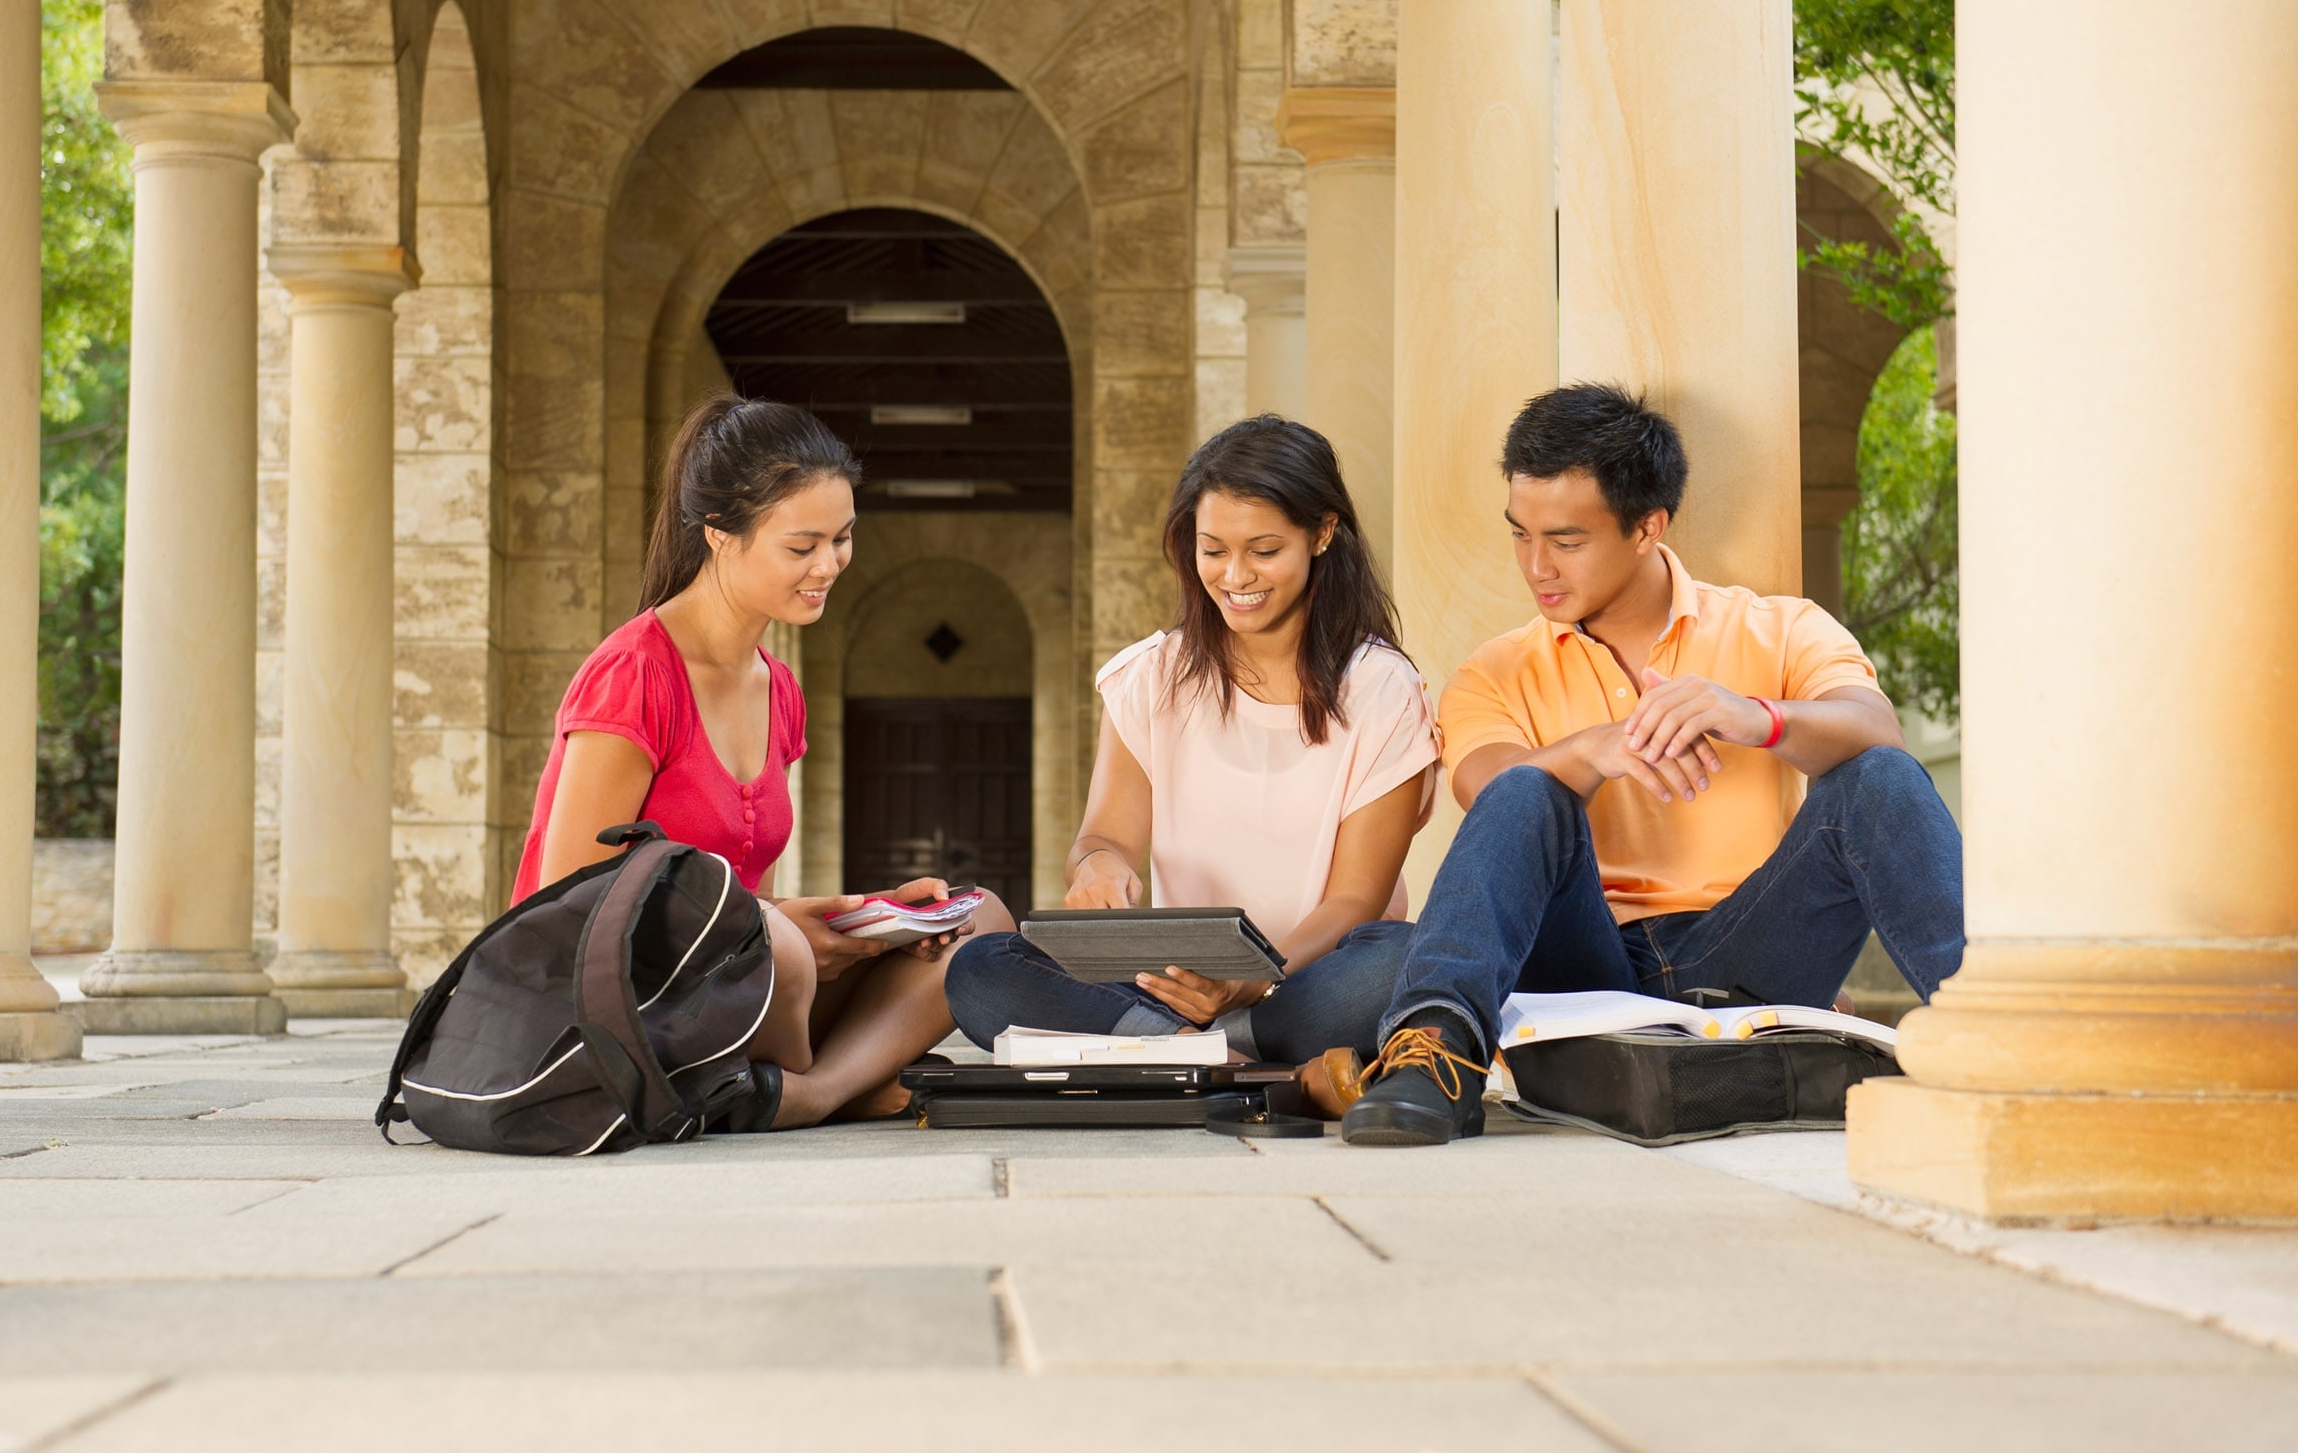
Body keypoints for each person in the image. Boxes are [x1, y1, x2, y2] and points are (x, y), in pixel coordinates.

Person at [1341, 384, 1965, 1146]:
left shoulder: (1779, 627)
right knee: (1528, 788)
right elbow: (1489, 794)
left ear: (1647, 526)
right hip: (1583, 957)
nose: (1537, 566)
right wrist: (1593, 749)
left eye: (1566, 541)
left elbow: (1877, 730)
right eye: (1520, 535)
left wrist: (1757, 717)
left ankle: (1995, 1045)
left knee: (1881, 775)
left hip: (1753, 952)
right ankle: (1434, 1057)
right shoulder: (1493, 671)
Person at [511, 394, 1009, 1129]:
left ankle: (809, 1092)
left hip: (734, 980)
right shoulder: (635, 674)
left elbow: (747, 895)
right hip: (612, 1001)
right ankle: (839, 1085)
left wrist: (854, 919)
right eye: (801, 546)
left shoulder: (777, 689)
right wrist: (770, 929)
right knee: (782, 948)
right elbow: (566, 908)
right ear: (720, 535)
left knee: (975, 922)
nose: (830, 565)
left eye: (843, 538)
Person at [944, 416, 1439, 1065]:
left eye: (1264, 551)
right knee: (980, 967)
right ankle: (1193, 1050)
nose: (1236, 576)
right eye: (1213, 550)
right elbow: (1105, 838)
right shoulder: (1151, 677)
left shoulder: (1382, 689)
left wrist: (1258, 976)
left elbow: (1356, 899)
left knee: (1399, 959)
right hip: (1172, 986)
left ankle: (1168, 1050)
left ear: (1322, 534)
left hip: (1304, 978)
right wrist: (1098, 865)